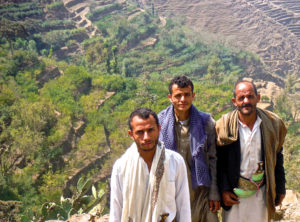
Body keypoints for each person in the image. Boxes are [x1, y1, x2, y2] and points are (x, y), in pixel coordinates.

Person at [216, 80, 287, 222]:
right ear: (234, 101)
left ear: (258, 98)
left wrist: (280, 187)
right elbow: (219, 161)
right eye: (241, 98)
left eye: (250, 96)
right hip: (234, 195)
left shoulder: (272, 124)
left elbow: (277, 156)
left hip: (260, 193)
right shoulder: (224, 126)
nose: (246, 101)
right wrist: (223, 190)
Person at [110, 108, 191, 222]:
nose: (146, 137)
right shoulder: (121, 167)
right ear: (131, 134)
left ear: (159, 129)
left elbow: (184, 207)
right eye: (140, 132)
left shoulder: (175, 162)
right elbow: (116, 210)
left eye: (150, 130)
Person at [158, 76, 220, 222]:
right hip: (170, 191)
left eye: (186, 94)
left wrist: (214, 192)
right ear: (170, 98)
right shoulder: (159, 122)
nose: (182, 99)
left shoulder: (206, 122)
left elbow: (213, 158)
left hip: (199, 191)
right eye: (178, 95)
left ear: (193, 96)